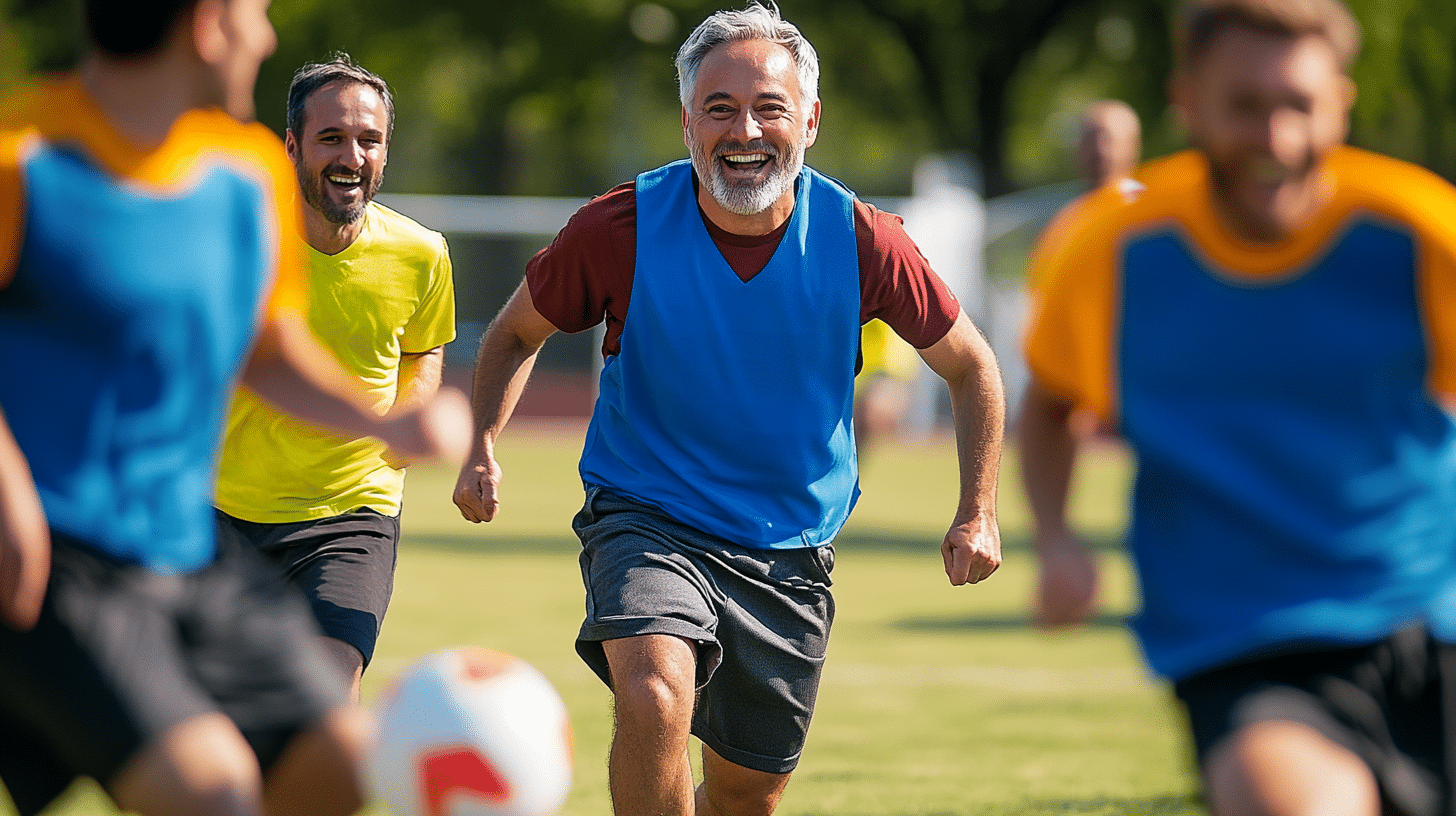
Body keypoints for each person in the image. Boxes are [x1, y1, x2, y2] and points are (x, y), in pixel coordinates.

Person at [451, 4, 1005, 815]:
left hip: (790, 545)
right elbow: (510, 335)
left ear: (809, 122)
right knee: (653, 695)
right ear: (687, 125)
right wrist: (481, 445)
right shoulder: (621, 227)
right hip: (646, 513)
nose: (744, 130)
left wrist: (978, 511)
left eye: (768, 108)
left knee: (746, 794)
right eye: (720, 109)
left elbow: (973, 368)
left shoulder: (863, 239)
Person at [0, 3, 469, 816]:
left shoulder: (245, 175)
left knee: (343, 766)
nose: (266, 35)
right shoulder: (24, 163)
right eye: (253, 12)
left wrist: (388, 423)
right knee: (214, 791)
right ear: (207, 23)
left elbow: (267, 353)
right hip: (60, 562)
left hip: (193, 554)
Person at [1019, 1, 1456, 814]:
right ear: (1187, 100)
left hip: (1434, 610)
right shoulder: (1113, 252)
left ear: (1342, 103)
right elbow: (1050, 400)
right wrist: (1057, 540)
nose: (1277, 140)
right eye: (1245, 107)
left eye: (1300, 106)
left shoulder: (1420, 231)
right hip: (1249, 638)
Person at [214, 53, 456, 703]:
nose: (352, 156)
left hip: (353, 513)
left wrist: (409, 416)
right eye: (331, 138)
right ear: (292, 145)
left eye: (369, 140)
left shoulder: (422, 252)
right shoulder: (239, 245)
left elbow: (421, 351)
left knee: (323, 701)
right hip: (223, 511)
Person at [1025, 99, 1143, 294]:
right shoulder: (1064, 224)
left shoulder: (1153, 214)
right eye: (1091, 139)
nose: (1100, 150)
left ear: (1133, 146)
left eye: (1108, 138)